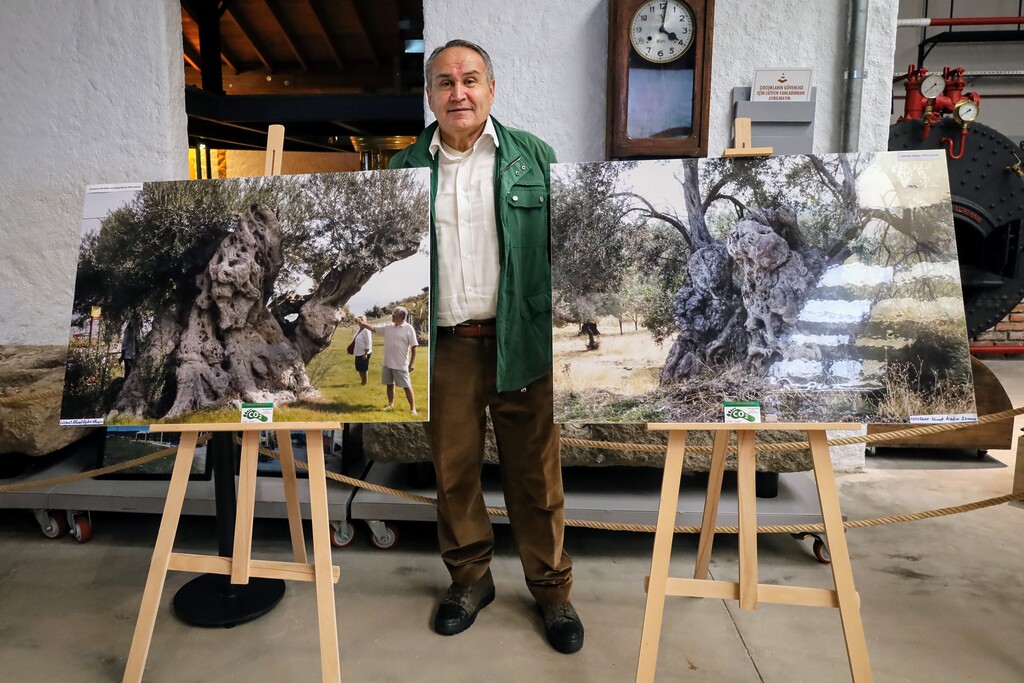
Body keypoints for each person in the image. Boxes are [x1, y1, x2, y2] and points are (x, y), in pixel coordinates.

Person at [389, 39, 583, 654]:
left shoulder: (535, 159)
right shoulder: (403, 170)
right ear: (430, 96)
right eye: (445, 83)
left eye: (471, 80)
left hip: (521, 342)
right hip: (444, 347)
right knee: (453, 475)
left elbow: (566, 254)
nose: (459, 92)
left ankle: (552, 591)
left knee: (536, 473)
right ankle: (470, 581)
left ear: (491, 90)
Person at [357, 306, 417, 414]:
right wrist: (363, 324)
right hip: (387, 363)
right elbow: (374, 329)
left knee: (406, 386)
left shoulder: (409, 328)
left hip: (401, 364)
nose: (392, 316)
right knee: (389, 384)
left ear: (402, 316)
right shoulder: (388, 327)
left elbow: (414, 346)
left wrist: (412, 363)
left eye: (395, 314)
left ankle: (413, 409)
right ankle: (390, 405)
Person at [352, 315, 373, 385]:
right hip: (358, 352)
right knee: (359, 368)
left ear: (365, 321)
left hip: (364, 352)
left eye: (362, 320)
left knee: (364, 368)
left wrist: (366, 353)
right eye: (359, 320)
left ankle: (364, 382)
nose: (360, 321)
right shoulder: (359, 329)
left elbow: (368, 342)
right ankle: (362, 381)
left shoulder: (366, 330)